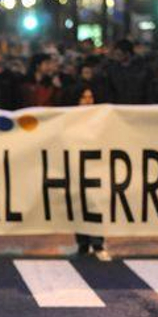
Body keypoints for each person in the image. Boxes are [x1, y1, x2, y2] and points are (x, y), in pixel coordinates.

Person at [64, 85, 110, 260]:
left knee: (96, 204)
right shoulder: (69, 119)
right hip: (76, 167)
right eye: (84, 97)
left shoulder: (102, 118)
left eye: (90, 97)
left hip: (96, 168)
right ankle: (82, 243)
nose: (88, 101)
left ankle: (97, 243)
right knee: (78, 205)